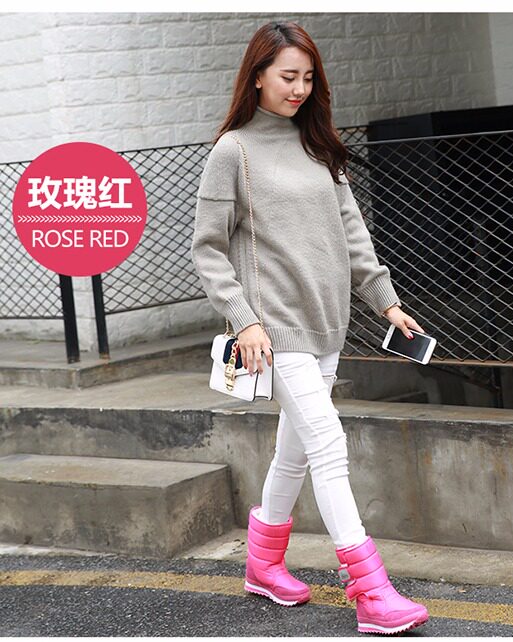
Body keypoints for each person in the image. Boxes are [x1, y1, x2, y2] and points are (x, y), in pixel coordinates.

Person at [191, 21, 429, 635]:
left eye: (307, 78)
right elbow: (208, 250)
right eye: (287, 76)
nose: (298, 88)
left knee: (294, 452)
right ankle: (371, 591)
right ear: (257, 76)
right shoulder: (233, 152)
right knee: (327, 443)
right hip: (274, 332)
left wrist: (387, 304)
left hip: (328, 324)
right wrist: (244, 320)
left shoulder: (320, 148)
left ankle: (263, 564)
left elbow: (354, 237)